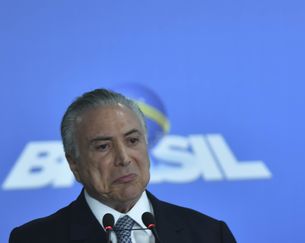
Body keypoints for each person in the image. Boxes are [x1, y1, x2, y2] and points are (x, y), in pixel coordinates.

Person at [9, 88, 236, 243]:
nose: (124, 158)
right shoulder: (34, 238)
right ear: (74, 164)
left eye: (132, 141)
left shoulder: (209, 234)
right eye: (103, 147)